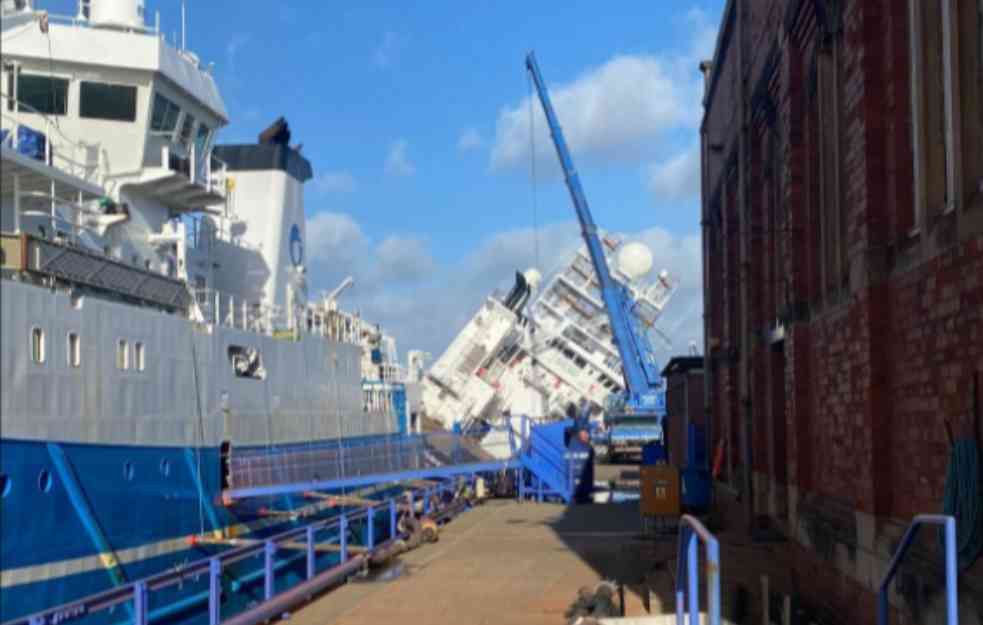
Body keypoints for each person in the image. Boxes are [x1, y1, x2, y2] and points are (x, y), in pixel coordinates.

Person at [565, 401, 595, 504]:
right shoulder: (581, 421)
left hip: (582, 452)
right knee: (581, 474)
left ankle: (583, 494)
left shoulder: (581, 421)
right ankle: (581, 495)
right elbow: (583, 435)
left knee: (584, 474)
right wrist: (588, 437)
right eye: (589, 409)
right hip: (580, 451)